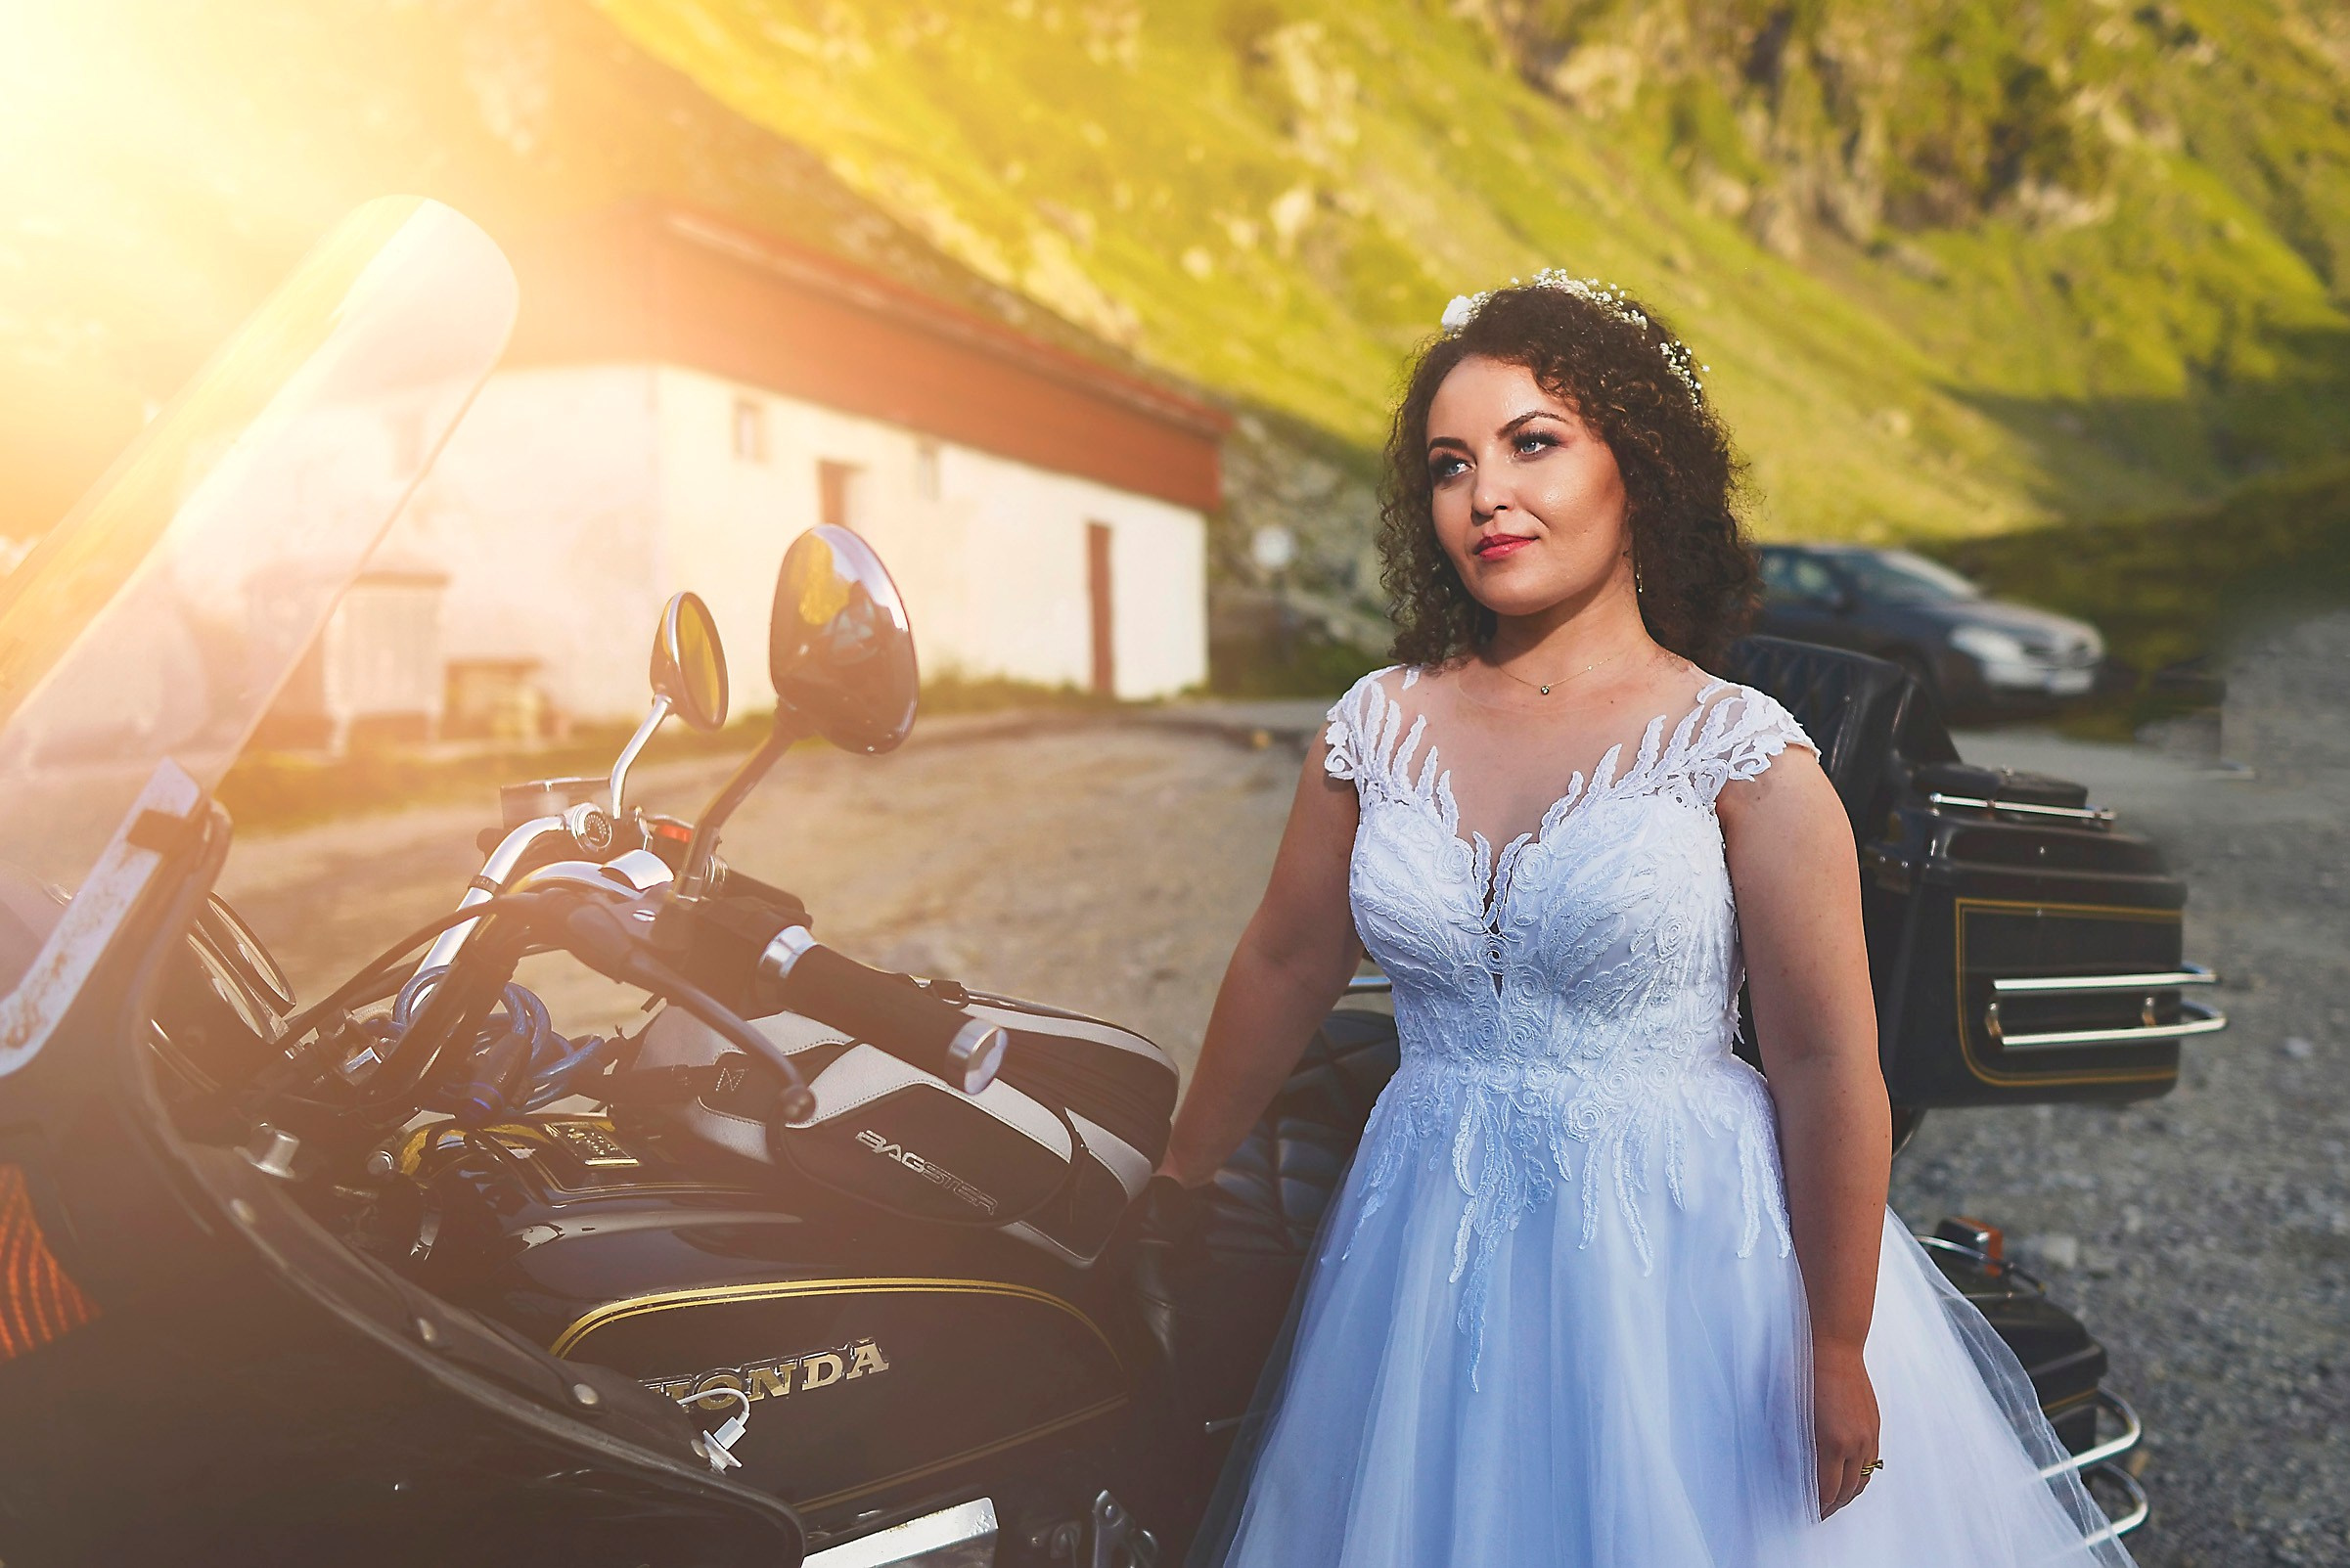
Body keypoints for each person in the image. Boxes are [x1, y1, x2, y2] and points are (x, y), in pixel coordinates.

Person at [1160, 274, 2133, 1566]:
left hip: (1680, 1250)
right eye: (1448, 463)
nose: (1485, 495)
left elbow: (1826, 1060)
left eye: (1533, 444)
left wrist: (1836, 1342)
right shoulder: (1370, 725)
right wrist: (1175, 1178)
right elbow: (1285, 960)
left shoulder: (1737, 752)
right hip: (1421, 1233)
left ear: (1639, 466)